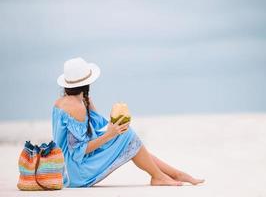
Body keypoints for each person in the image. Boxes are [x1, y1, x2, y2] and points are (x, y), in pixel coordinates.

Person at [52, 57, 204, 187]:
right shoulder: (76, 108)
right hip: (75, 174)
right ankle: (161, 176)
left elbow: (96, 127)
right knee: (127, 135)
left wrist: (89, 103)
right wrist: (109, 135)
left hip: (64, 168)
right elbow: (78, 151)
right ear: (87, 82)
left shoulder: (62, 102)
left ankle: (173, 174)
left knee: (127, 138)